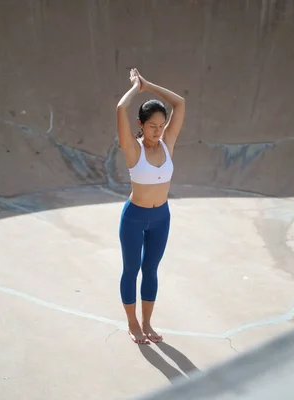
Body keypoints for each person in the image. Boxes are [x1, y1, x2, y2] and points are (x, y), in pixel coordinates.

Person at [115, 68, 185, 344]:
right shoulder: (133, 148)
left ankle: (147, 324)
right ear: (140, 124)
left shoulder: (168, 143)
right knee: (131, 269)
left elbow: (180, 102)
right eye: (152, 126)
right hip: (134, 218)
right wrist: (135, 87)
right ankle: (132, 323)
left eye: (161, 126)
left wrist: (148, 85)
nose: (158, 131)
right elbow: (121, 107)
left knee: (151, 270)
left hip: (161, 218)